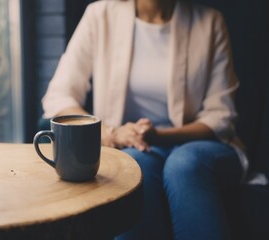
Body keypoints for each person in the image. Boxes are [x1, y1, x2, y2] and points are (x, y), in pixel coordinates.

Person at [41, 0, 248, 239]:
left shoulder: (210, 22)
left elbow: (220, 115)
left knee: (184, 164)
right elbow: (59, 95)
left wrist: (159, 135)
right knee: (134, 166)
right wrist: (111, 133)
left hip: (199, 144)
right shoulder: (100, 15)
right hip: (132, 146)